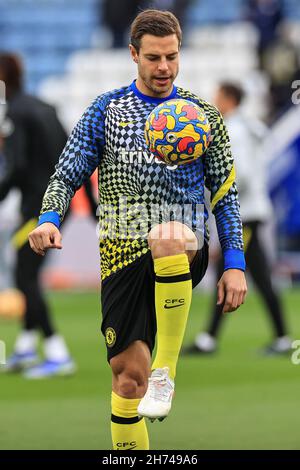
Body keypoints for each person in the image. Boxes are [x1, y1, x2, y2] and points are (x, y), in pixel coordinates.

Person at [28, 10, 247, 450]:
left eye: (171, 56)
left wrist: (236, 263)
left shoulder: (201, 115)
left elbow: (226, 195)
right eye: (153, 58)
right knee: (128, 382)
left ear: (180, 52)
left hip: (184, 244)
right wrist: (49, 217)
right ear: (133, 55)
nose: (163, 67)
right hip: (120, 255)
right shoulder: (106, 110)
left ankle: (165, 373)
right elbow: (67, 172)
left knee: (166, 234)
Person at [0, 53, 97, 378]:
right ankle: (26, 347)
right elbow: (73, 157)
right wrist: (92, 205)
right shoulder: (45, 106)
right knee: (23, 267)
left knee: (24, 273)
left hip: (41, 208)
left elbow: (17, 167)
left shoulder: (13, 112)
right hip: (61, 203)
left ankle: (57, 353)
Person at [184, 82, 292, 356]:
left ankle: (210, 339)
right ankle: (279, 337)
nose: (213, 99)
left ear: (229, 99)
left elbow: (237, 174)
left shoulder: (234, 130)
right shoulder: (247, 128)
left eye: (218, 95)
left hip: (243, 214)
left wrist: (209, 191)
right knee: (253, 275)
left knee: (231, 273)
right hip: (250, 211)